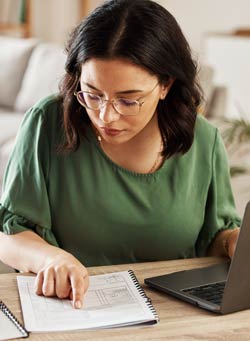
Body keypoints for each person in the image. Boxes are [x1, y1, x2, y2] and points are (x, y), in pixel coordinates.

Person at [0, 0, 241, 309]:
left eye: (128, 100)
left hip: (178, 316)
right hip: (75, 310)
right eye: (92, 93)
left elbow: (216, 236)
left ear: (165, 84)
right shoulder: (47, 123)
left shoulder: (203, 140)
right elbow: (9, 234)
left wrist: (233, 242)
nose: (105, 116)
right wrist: (51, 258)